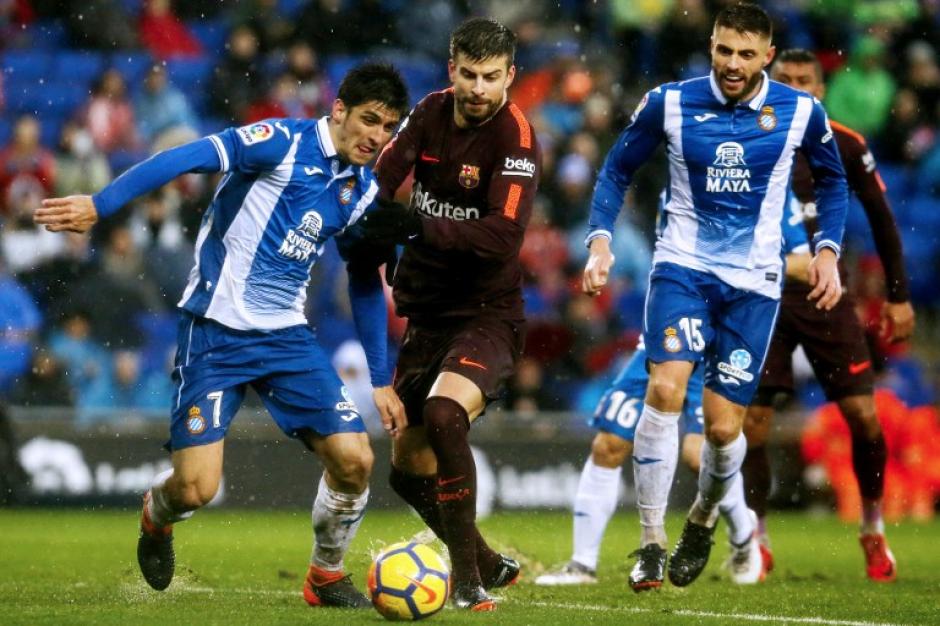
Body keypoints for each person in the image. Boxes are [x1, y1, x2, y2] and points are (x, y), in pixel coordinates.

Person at [33, 64, 410, 608]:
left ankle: (325, 577)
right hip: (215, 331)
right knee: (195, 490)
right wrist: (100, 204)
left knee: (355, 460)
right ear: (339, 111)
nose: (376, 137)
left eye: (389, 128)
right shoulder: (280, 142)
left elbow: (365, 280)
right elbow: (183, 156)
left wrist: (380, 378)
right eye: (369, 120)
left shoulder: (361, 189)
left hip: (286, 338)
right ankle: (156, 515)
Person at [581, 2, 847, 590]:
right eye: (723, 50)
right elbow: (616, 170)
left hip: (754, 285)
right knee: (665, 387)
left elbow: (833, 181)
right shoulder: (669, 102)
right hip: (683, 267)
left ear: (767, 57)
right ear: (711, 44)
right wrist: (600, 241)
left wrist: (827, 250)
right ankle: (650, 541)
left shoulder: (800, 110)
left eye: (746, 54)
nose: (732, 63)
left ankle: (701, 520)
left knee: (726, 433)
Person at [356, 17, 540, 611]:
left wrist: (413, 224)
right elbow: (381, 179)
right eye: (469, 74)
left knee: (442, 413)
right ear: (451, 69)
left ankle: (468, 581)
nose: (479, 88)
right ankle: (487, 559)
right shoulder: (429, 113)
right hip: (427, 314)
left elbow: (502, 236)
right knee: (406, 472)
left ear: (510, 76)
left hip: (487, 313)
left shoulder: (515, 138)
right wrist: (364, 221)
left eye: (491, 77)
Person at [537, 198, 812, 588]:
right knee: (608, 443)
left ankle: (742, 536)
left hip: (720, 334)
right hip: (669, 331)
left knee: (701, 454)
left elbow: (806, 263)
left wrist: (754, 262)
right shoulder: (679, 182)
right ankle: (583, 564)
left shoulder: (771, 186)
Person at [744, 48, 915, 583]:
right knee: (753, 425)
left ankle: (873, 528)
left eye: (805, 81)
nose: (795, 88)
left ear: (820, 89)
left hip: (826, 294)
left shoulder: (844, 143)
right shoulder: (748, 137)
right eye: (785, 80)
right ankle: (757, 540)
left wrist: (898, 295)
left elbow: (883, 219)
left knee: (864, 415)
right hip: (764, 294)